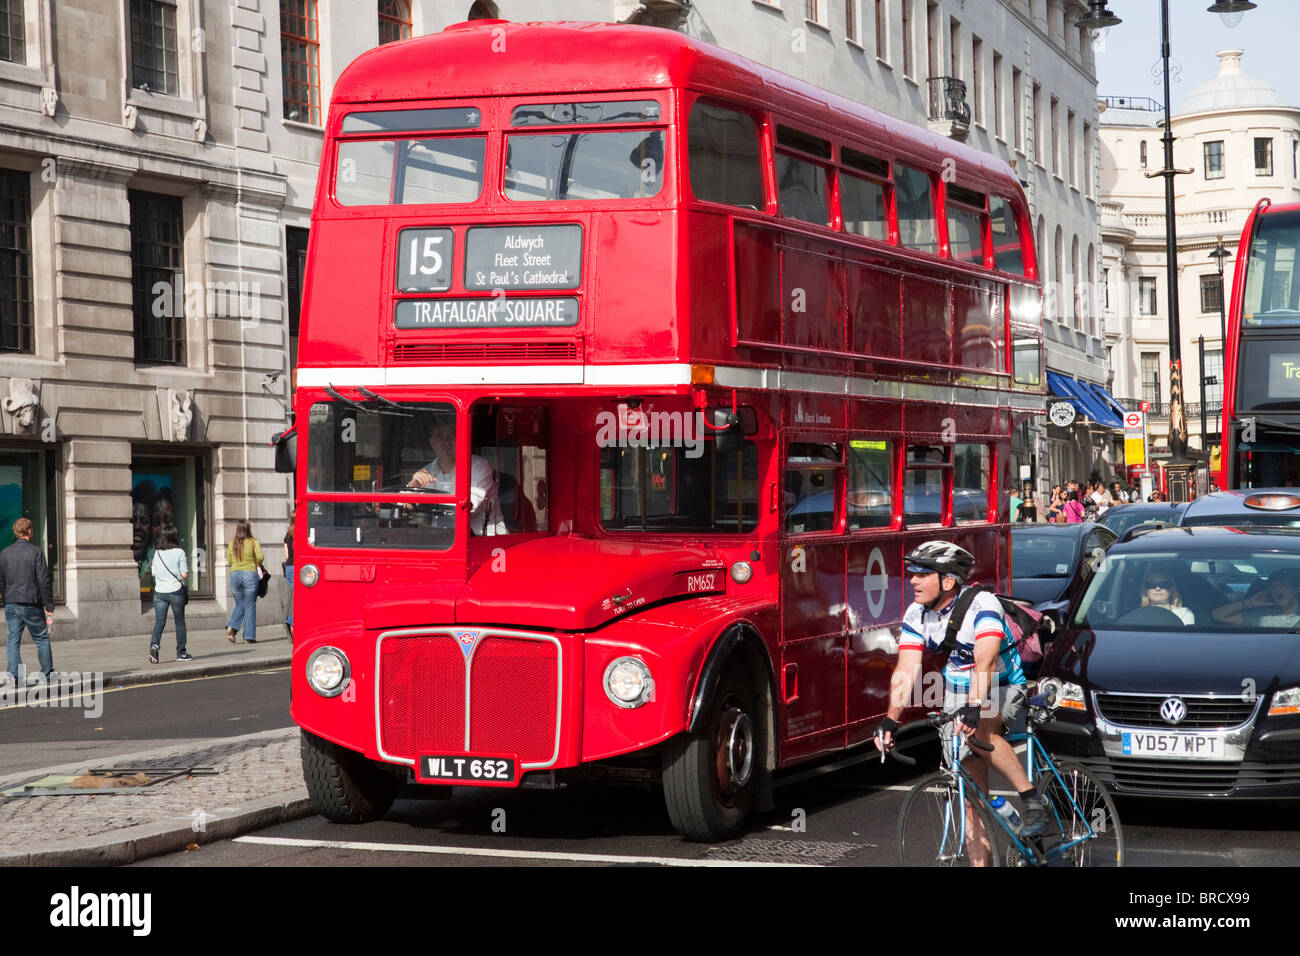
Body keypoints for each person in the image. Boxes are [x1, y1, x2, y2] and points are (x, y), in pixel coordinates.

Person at [874, 541, 1048, 862]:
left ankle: (1032, 799)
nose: (912, 580)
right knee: (970, 795)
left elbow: (985, 661)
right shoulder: (917, 612)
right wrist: (890, 719)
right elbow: (907, 669)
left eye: (922, 574)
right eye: (912, 573)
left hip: (1001, 683)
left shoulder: (982, 605)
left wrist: (973, 705)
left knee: (980, 731)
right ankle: (994, 846)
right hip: (958, 689)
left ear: (948, 581)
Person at [407, 416, 505, 535]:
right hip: (441, 539)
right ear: (431, 442)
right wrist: (413, 484)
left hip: (481, 540)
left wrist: (424, 504)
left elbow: (468, 507)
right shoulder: (426, 471)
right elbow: (405, 506)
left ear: (462, 439)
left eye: (452, 435)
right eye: (439, 437)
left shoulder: (478, 465)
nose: (446, 442)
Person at [0, 517, 55, 684]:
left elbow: (1, 581)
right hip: (31, 603)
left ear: (15, 532)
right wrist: (49, 605)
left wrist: (6, 599)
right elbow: (43, 580)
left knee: (13, 640)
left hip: (12, 602)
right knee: (41, 639)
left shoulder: (5, 553)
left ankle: (13, 676)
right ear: (29, 531)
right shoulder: (36, 552)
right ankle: (46, 675)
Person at [150, 527, 191, 662]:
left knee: (159, 622)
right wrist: (179, 574)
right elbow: (184, 574)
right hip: (175, 591)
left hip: (159, 593)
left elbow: (154, 573)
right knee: (179, 622)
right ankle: (181, 653)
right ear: (175, 537)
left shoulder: (157, 553)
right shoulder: (180, 552)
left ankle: (154, 646)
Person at [1212, 570, 1300, 628]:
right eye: (1272, 587)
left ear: (1296, 589)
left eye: (1281, 584)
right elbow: (1218, 616)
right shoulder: (1262, 616)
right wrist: (1249, 603)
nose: (1276, 589)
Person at [226, 520, 264, 644]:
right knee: (250, 605)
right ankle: (248, 636)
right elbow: (260, 557)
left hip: (234, 575)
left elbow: (230, 561)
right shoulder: (253, 542)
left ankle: (232, 627)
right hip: (250, 574)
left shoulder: (232, 543)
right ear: (248, 529)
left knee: (241, 604)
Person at [283, 513, 294, 642]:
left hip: (289, 567)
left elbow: (286, 555)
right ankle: (291, 621)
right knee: (303, 599)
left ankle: (292, 622)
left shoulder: (287, 534)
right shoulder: (302, 531)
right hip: (300, 568)